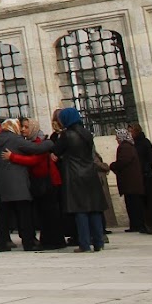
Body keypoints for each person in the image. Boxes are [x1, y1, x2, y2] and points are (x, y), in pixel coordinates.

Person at [48, 107, 105, 252]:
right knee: (94, 209)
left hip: (74, 174)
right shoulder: (87, 133)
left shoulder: (67, 135)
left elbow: (55, 153)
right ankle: (98, 242)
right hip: (90, 173)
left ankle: (84, 244)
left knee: (80, 210)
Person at [0, 118, 48, 251]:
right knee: (25, 214)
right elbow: (35, 148)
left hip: (5, 183)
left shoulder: (1, 140)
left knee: (5, 214)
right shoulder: (14, 139)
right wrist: (49, 143)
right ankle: (28, 242)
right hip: (18, 182)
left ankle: (1, 243)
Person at [111, 128, 152, 234]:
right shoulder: (128, 146)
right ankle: (135, 224)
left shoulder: (125, 147)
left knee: (134, 205)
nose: (116, 138)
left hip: (130, 181)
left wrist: (113, 165)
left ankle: (137, 225)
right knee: (132, 204)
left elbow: (124, 161)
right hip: (131, 181)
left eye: (117, 136)